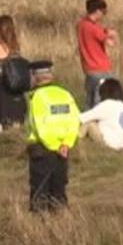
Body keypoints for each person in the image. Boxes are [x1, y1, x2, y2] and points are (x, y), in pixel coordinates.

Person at [26, 60, 81, 213]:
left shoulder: (37, 97)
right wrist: (66, 144)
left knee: (40, 194)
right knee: (59, 192)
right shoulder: (65, 94)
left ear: (34, 76)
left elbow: (40, 126)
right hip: (63, 151)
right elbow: (75, 120)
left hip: (43, 151)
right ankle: (61, 226)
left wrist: (54, 146)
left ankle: (39, 230)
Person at [77, 0, 118, 110]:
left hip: (88, 69)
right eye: (103, 11)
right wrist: (113, 35)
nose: (103, 15)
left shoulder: (81, 25)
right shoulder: (94, 28)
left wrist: (105, 31)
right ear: (98, 10)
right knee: (102, 101)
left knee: (89, 102)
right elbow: (110, 43)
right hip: (101, 68)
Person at [78, 79, 123, 151]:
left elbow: (82, 118)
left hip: (110, 143)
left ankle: (76, 137)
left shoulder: (106, 105)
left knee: (89, 123)